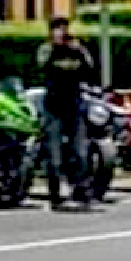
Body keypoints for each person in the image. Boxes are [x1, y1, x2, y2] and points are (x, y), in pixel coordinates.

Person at [37, 16, 96, 211]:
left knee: (80, 152)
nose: (62, 32)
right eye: (57, 29)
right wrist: (56, 47)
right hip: (54, 106)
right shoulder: (46, 49)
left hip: (74, 105)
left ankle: (82, 192)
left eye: (64, 28)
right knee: (54, 155)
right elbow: (41, 65)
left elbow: (90, 68)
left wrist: (77, 49)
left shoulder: (77, 49)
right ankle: (55, 195)